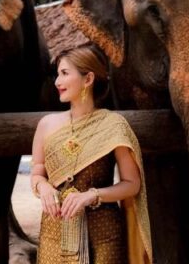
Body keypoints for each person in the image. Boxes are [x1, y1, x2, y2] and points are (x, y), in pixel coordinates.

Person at [31, 45, 152, 264]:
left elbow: (132, 184)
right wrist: (44, 187)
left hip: (103, 233)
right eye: (58, 74)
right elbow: (37, 172)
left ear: (88, 79)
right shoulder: (46, 125)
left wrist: (91, 195)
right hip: (54, 230)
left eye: (65, 74)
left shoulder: (113, 125)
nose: (57, 82)